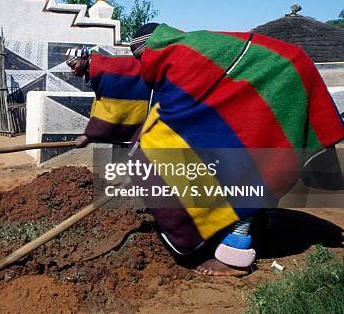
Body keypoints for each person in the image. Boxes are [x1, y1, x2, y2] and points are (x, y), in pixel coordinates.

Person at [69, 23, 344, 276]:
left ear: (147, 50)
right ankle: (264, 219)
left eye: (140, 58)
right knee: (253, 162)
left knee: (242, 170)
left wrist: (142, 154)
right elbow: (171, 107)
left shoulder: (179, 58)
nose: (139, 65)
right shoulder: (183, 49)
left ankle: (234, 258)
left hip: (280, 82)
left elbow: (176, 117)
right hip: (282, 73)